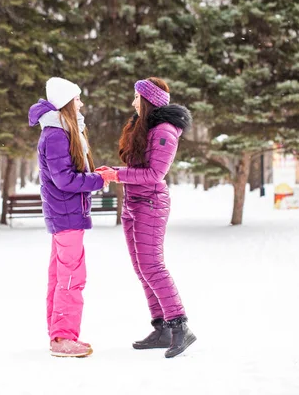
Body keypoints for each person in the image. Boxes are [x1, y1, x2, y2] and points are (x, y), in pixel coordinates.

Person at [95, 77, 196, 358]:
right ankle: (162, 327)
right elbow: (138, 167)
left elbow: (154, 174)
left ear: (148, 100)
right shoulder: (145, 127)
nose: (132, 102)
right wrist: (114, 169)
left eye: (136, 98)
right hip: (134, 203)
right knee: (142, 269)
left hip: (150, 204)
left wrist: (115, 174)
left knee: (153, 267)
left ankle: (180, 326)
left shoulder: (165, 130)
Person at [28, 77, 105, 358]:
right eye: (77, 99)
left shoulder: (58, 131)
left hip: (65, 215)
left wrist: (97, 175)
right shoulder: (57, 134)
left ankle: (58, 335)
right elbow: (65, 180)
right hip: (67, 216)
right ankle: (63, 338)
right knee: (72, 278)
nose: (81, 103)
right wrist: (98, 180)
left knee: (61, 277)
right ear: (67, 103)